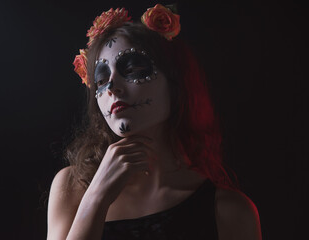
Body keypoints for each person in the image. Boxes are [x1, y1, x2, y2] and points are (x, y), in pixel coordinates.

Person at [47, 4, 262, 240]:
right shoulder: (72, 187)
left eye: (133, 68)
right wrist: (97, 197)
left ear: (175, 82)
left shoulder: (228, 211)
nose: (112, 88)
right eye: (100, 80)